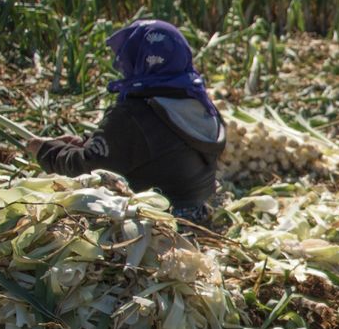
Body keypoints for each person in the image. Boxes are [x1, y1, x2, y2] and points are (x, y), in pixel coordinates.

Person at [26, 20, 226, 223]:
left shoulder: (135, 114)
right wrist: (88, 142)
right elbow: (155, 148)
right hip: (197, 216)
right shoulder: (199, 104)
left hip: (158, 224)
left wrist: (45, 150)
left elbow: (85, 171)